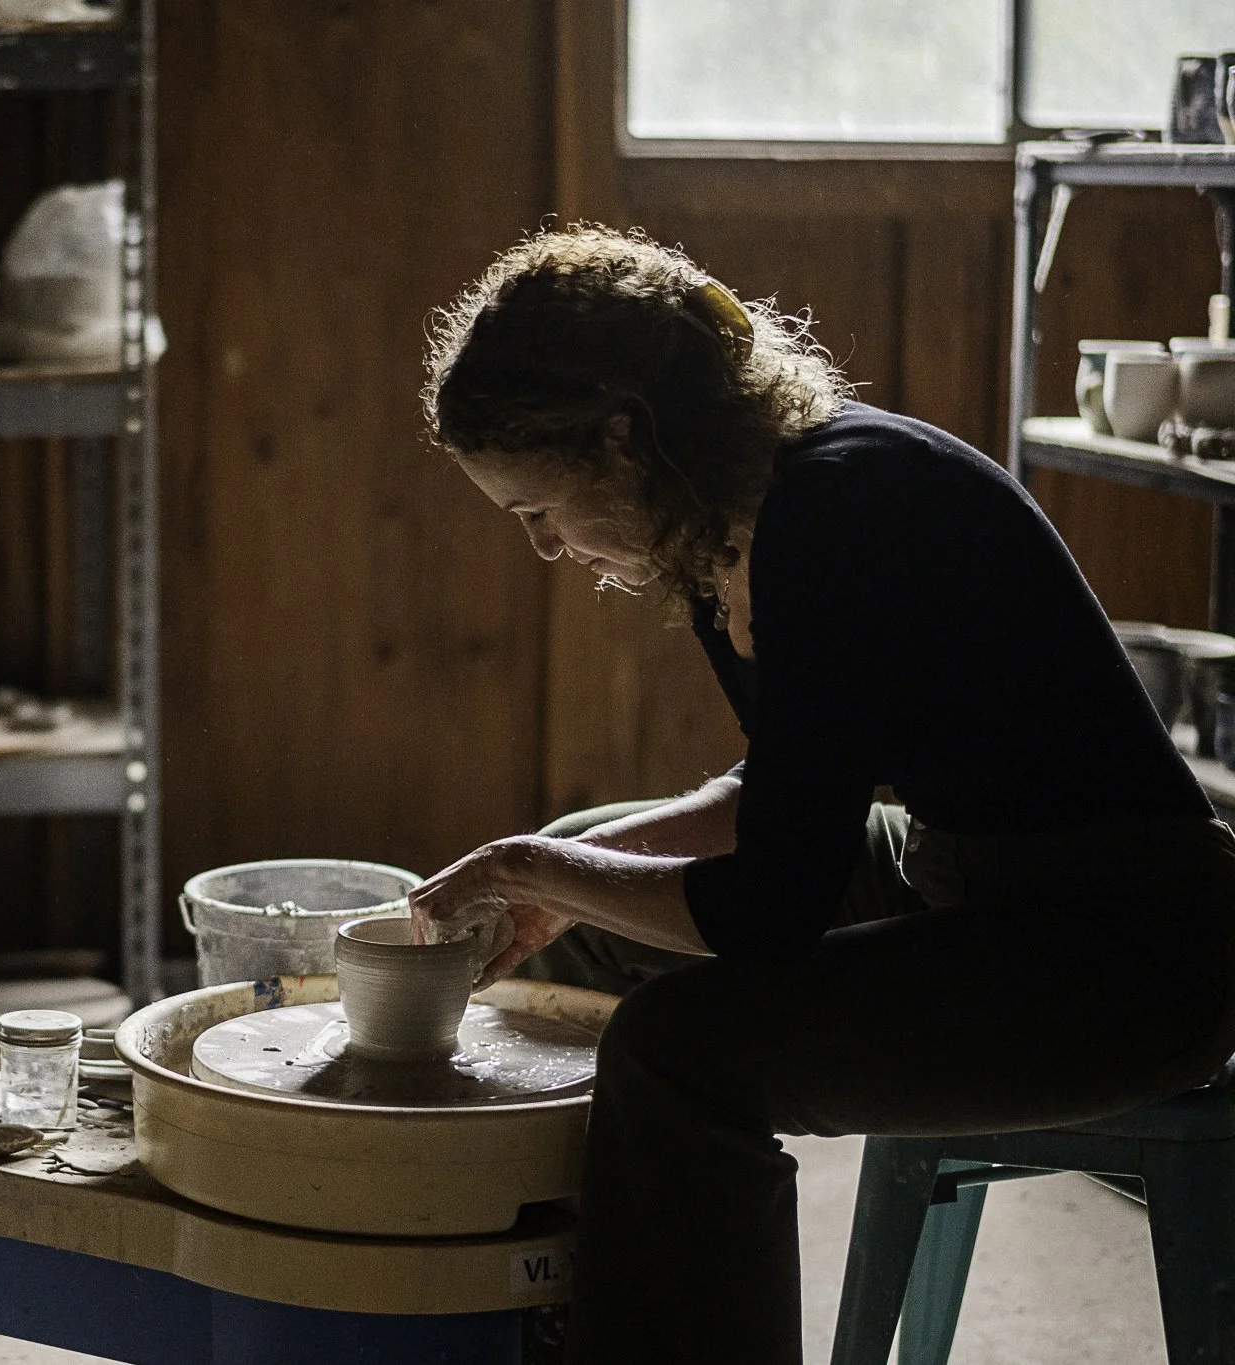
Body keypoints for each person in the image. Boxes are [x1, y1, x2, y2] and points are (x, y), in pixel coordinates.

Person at [407, 224, 1235, 1364]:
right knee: (578, 873)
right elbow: (783, 790)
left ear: (618, 441)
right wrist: (555, 874)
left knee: (679, 1046)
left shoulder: (841, 504)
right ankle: (536, 1310)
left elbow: (764, 911)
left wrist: (528, 870)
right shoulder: (722, 527)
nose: (547, 548)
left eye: (535, 511)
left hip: (1123, 949)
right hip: (952, 871)